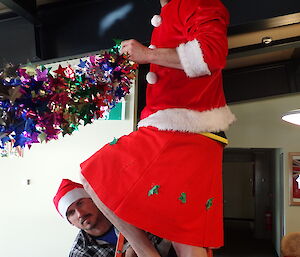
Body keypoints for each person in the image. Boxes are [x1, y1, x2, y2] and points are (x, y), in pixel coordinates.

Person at [80, 0, 236, 256]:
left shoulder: (196, 2)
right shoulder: (173, 10)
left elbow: (210, 55)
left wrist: (147, 55)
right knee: (183, 235)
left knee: (95, 174)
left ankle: (145, 252)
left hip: (181, 129)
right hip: (186, 131)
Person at [53, 179, 167, 257]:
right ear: (70, 222)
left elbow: (168, 232)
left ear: (93, 200)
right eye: (71, 213)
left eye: (80, 203)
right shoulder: (79, 253)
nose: (80, 214)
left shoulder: (127, 213)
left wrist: (139, 245)